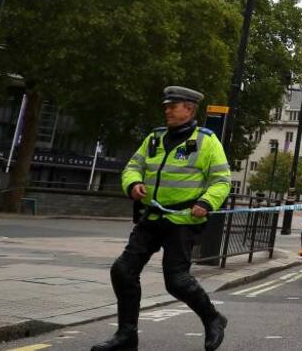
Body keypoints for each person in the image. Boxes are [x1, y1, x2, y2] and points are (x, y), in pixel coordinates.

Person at [92, 87, 232, 351]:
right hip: (152, 216)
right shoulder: (154, 138)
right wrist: (133, 183)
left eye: (173, 106)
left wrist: (206, 202)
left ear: (189, 109)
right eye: (167, 106)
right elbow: (133, 166)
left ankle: (213, 318)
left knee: (176, 281)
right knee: (122, 271)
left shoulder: (207, 140)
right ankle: (126, 337)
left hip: (182, 221)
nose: (167, 110)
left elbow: (222, 181)